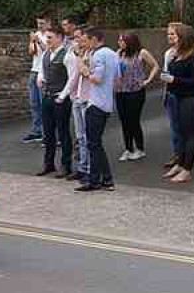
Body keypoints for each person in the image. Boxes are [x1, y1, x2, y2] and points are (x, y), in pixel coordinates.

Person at [161, 25, 194, 184]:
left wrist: (174, 80)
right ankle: (180, 164)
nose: (171, 38)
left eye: (175, 36)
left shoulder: (193, 57)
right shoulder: (176, 55)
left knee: (189, 135)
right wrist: (168, 78)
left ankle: (187, 170)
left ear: (184, 38)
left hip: (190, 99)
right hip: (178, 97)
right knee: (180, 133)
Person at [75, 27, 119, 192]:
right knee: (95, 143)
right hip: (106, 102)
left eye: (86, 40)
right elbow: (117, 78)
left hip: (96, 104)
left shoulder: (99, 55)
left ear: (94, 39)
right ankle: (101, 179)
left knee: (93, 143)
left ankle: (101, 180)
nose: (83, 43)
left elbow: (97, 78)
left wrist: (86, 72)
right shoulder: (112, 54)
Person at [35, 26, 74, 178]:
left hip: (60, 99)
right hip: (47, 97)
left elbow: (72, 78)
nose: (47, 40)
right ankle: (49, 164)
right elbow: (41, 69)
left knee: (63, 132)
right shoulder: (46, 53)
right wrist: (40, 78)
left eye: (50, 37)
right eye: (46, 37)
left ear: (59, 37)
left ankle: (66, 165)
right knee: (48, 132)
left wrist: (62, 96)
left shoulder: (67, 55)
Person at [114, 33, 159, 161]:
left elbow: (155, 65)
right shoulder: (119, 53)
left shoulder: (141, 53)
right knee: (124, 121)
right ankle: (128, 149)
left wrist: (148, 80)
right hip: (121, 91)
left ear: (130, 41)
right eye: (119, 40)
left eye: (122, 40)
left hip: (135, 91)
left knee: (133, 120)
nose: (119, 43)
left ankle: (140, 149)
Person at [66, 26, 90, 182]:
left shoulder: (89, 55)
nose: (76, 40)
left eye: (79, 37)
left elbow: (82, 73)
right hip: (77, 96)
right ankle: (82, 167)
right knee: (80, 135)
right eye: (74, 38)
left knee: (88, 136)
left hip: (87, 98)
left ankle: (89, 169)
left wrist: (79, 56)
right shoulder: (76, 53)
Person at [23, 15, 51, 143]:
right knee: (34, 103)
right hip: (34, 70)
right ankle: (36, 130)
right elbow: (32, 52)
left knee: (43, 102)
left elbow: (48, 51)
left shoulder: (50, 36)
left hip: (44, 72)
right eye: (38, 23)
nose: (39, 26)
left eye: (42, 23)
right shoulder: (36, 35)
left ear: (48, 23)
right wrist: (32, 41)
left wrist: (38, 40)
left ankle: (47, 132)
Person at [161, 23, 184, 169]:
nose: (170, 37)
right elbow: (166, 74)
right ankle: (177, 156)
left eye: (173, 34)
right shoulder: (168, 53)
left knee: (185, 129)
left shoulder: (190, 53)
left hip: (185, 96)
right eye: (168, 34)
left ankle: (185, 159)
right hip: (171, 94)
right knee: (174, 127)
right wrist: (165, 95)